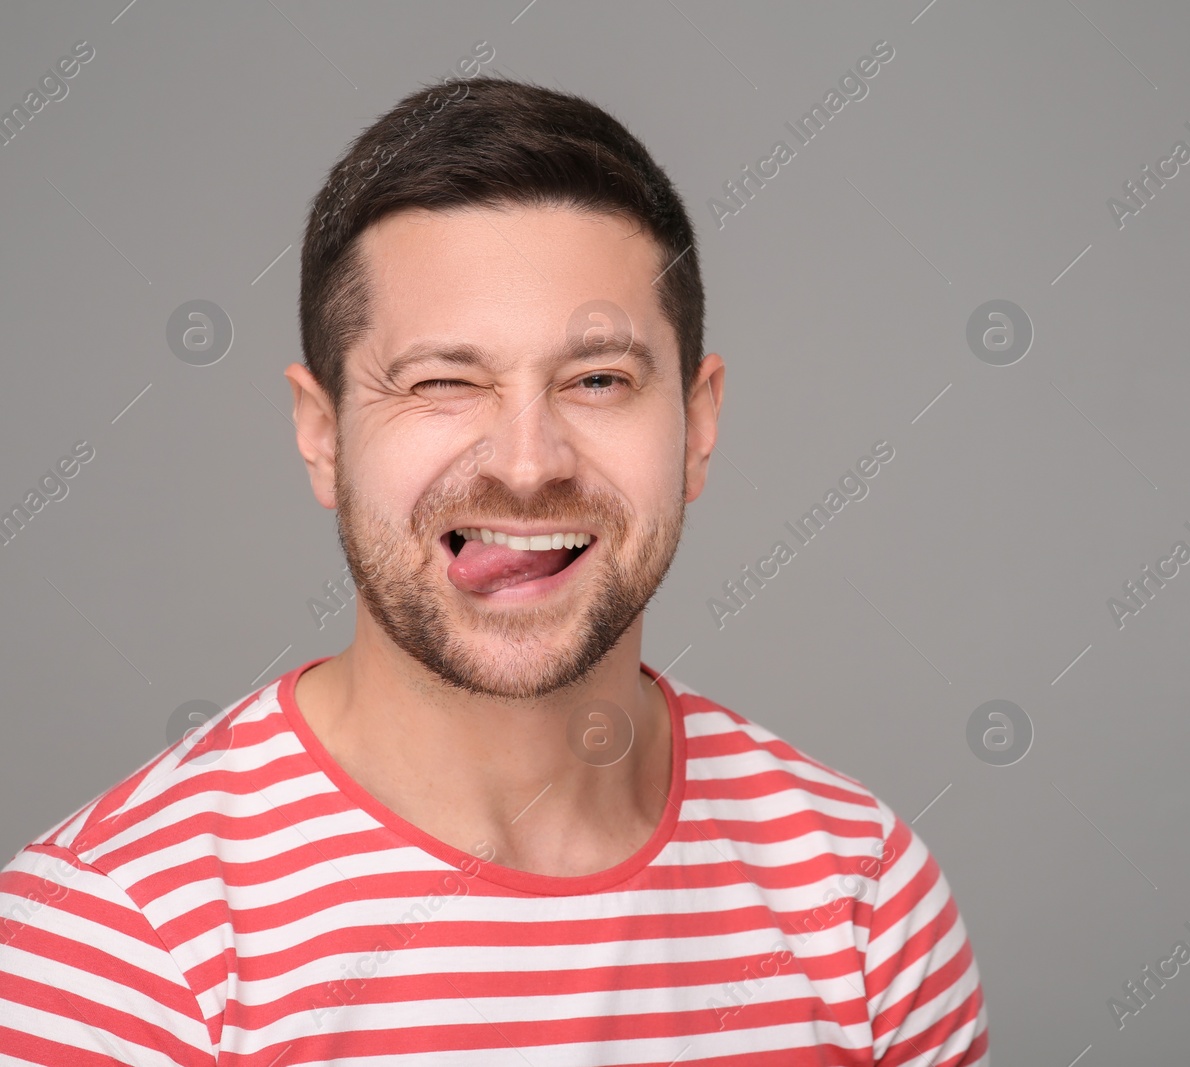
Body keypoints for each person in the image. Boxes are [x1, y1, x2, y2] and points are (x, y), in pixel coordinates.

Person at [0, 76, 988, 1064]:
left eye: (598, 379)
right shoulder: (112, 948)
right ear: (321, 435)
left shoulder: (860, 900)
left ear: (697, 423)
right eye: (441, 382)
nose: (527, 462)